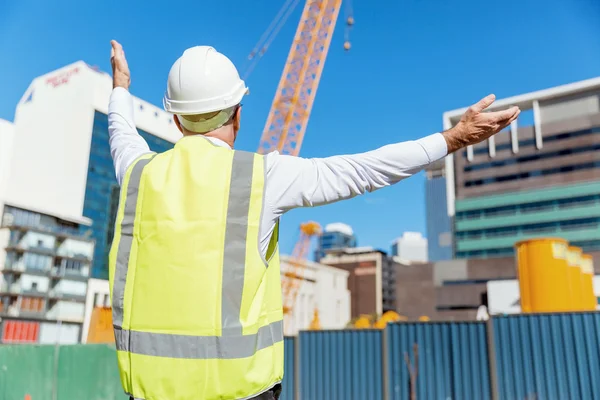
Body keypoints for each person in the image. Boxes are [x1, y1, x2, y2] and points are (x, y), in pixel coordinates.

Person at [107, 40, 519, 400]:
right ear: (237, 114)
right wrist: (451, 139)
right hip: (238, 393)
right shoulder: (261, 176)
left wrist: (120, 88)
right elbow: (363, 170)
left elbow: (121, 133)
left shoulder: (137, 176)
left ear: (176, 120)